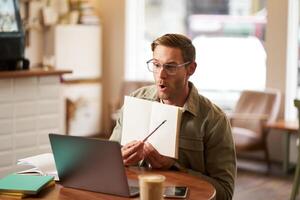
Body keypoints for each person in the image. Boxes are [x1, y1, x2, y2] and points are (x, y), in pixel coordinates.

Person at [110, 33, 236, 200]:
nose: (161, 75)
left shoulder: (214, 120)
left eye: (170, 67)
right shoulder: (135, 100)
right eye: (156, 65)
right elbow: (108, 164)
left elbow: (225, 193)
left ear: (191, 69)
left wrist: (173, 167)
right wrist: (120, 159)